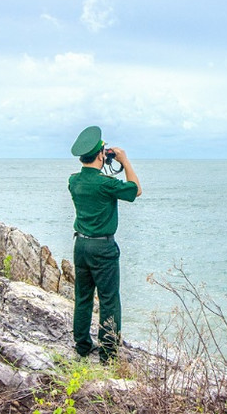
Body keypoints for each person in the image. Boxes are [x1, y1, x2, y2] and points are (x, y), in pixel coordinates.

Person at [68, 126, 142, 363]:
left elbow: (93, 177)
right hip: (103, 248)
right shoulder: (106, 184)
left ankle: (81, 345)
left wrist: (105, 160)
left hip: (80, 245)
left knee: (83, 297)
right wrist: (125, 160)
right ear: (101, 155)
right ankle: (108, 353)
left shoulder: (74, 181)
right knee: (109, 299)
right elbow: (136, 190)